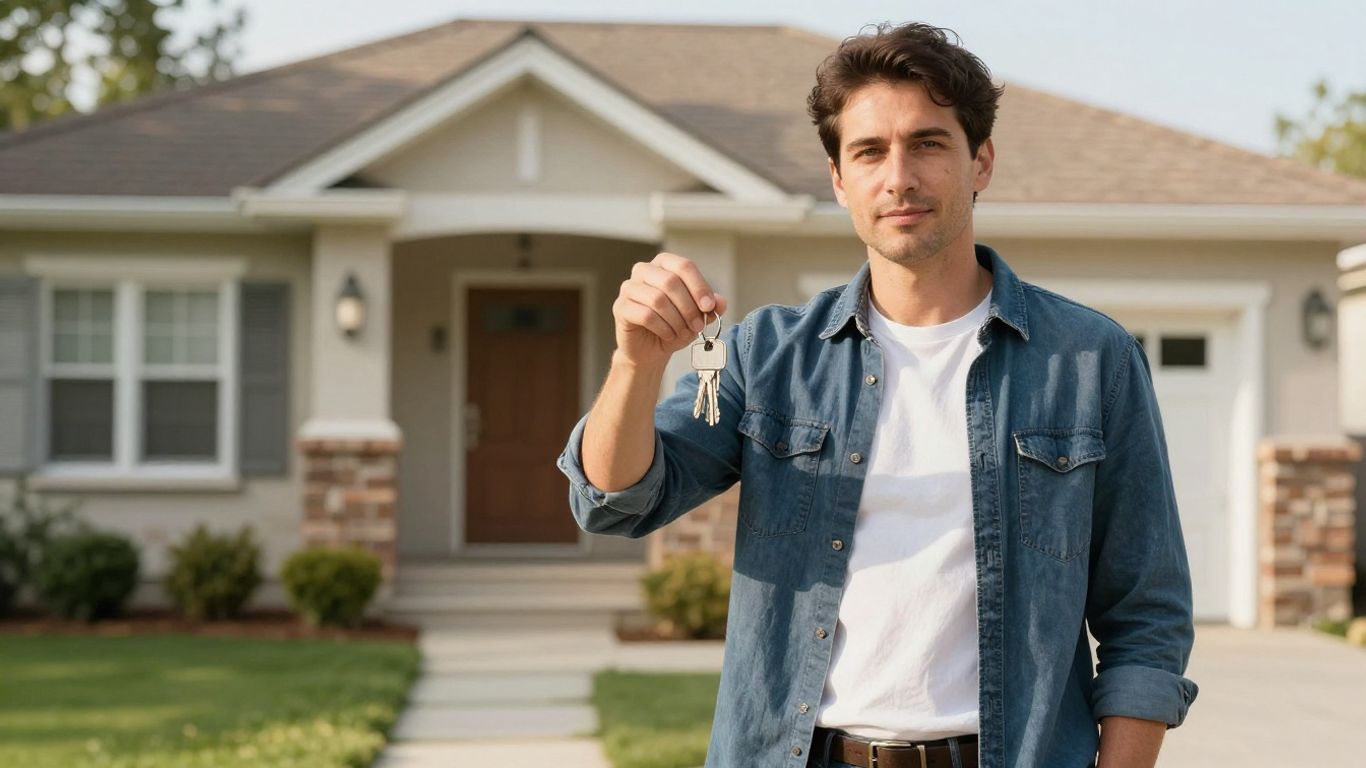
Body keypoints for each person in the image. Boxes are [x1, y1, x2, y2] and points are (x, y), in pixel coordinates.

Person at [556, 20, 1198, 768]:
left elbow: (1146, 615)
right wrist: (634, 364)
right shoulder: (769, 356)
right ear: (838, 180)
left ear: (980, 160)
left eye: (927, 142)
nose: (899, 176)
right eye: (869, 151)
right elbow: (613, 500)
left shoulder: (1092, 361)